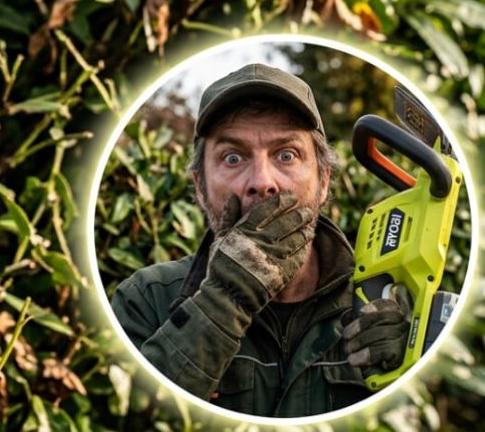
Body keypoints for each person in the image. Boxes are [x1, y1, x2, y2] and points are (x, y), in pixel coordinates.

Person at [110, 63, 411, 417]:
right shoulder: (145, 300)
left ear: (324, 179)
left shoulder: (386, 298)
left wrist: (405, 372)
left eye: (286, 154)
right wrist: (225, 298)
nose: (262, 181)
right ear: (200, 187)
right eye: (233, 157)